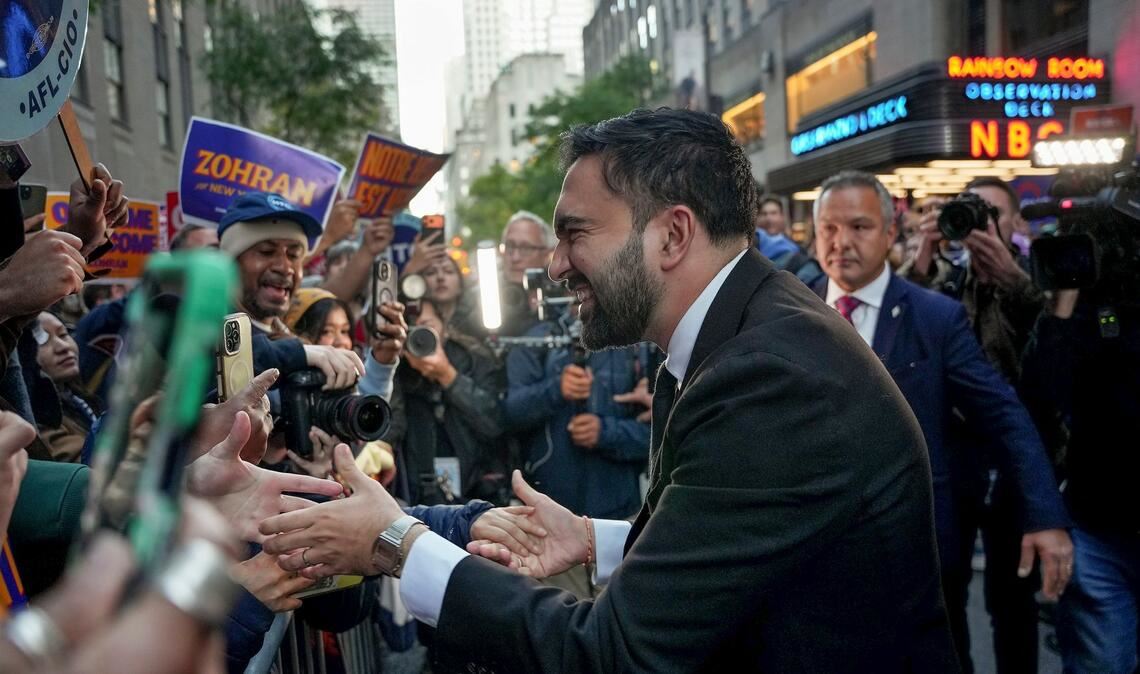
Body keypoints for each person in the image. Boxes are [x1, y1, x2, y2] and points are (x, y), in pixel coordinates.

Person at [260, 107, 958, 672]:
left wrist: (395, 542)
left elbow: (612, 651)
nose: (556, 266)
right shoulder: (736, 335)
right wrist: (601, 540)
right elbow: (743, 536)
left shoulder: (769, 378)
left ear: (672, 235)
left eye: (575, 235)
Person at [809, 170, 1073, 673]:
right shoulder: (789, 310)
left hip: (919, 550)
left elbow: (1005, 415)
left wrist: (1045, 515)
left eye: (860, 227)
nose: (841, 243)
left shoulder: (934, 317)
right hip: (818, 550)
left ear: (891, 232)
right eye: (829, 228)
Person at [904, 176, 1057, 673]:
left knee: (1012, 597)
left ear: (1014, 221)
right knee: (947, 591)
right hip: (951, 451)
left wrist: (1014, 281)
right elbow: (903, 328)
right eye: (968, 212)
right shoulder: (941, 276)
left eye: (991, 214)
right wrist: (924, 257)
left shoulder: (1037, 270)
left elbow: (1053, 347)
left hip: (1014, 448)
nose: (977, 225)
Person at [502, 302, 651, 599]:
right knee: (561, 625)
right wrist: (555, 390)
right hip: (549, 519)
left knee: (620, 623)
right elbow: (507, 413)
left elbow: (663, 433)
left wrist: (606, 433)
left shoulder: (640, 343)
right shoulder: (539, 338)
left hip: (622, 518)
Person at [30, 312, 102, 463]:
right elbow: (89, 463)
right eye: (42, 341)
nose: (63, 346)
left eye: (63, 334)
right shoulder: (36, 420)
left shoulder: (75, 397)